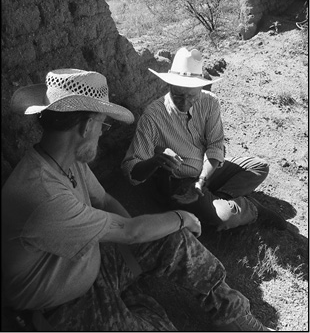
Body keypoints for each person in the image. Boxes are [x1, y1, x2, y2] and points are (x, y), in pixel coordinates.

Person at [1, 68, 275, 332]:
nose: (101, 133)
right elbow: (130, 231)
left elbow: (106, 201)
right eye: (103, 125)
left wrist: (141, 243)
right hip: (59, 303)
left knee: (172, 237)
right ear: (86, 126)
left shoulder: (67, 162)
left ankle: (231, 315)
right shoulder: (43, 196)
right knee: (170, 237)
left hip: (88, 260)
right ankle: (131, 303)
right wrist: (182, 218)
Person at [121, 47, 287, 232]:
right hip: (180, 183)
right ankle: (252, 209)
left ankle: (218, 196)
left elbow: (215, 145)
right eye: (178, 95)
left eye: (191, 96)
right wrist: (154, 162)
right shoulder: (153, 116)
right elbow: (131, 171)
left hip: (206, 172)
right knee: (225, 218)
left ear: (201, 88)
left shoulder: (209, 102)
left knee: (258, 166)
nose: (184, 102)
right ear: (168, 86)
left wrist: (201, 181)